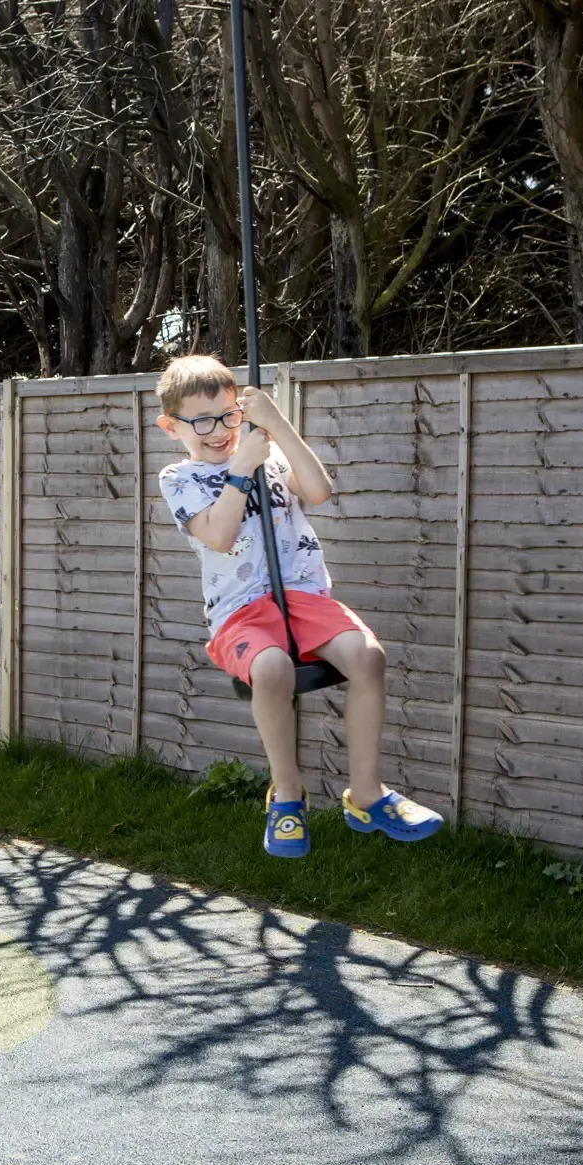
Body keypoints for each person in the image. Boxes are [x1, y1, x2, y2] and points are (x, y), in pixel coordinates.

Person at [154, 354, 443, 858]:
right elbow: (219, 537)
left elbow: (319, 491)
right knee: (271, 667)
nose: (218, 430)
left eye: (228, 415)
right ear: (171, 426)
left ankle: (367, 795)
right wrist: (240, 469)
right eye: (202, 420)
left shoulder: (271, 455)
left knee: (368, 656)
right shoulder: (179, 478)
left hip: (303, 597)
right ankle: (287, 796)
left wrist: (277, 424)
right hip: (240, 613)